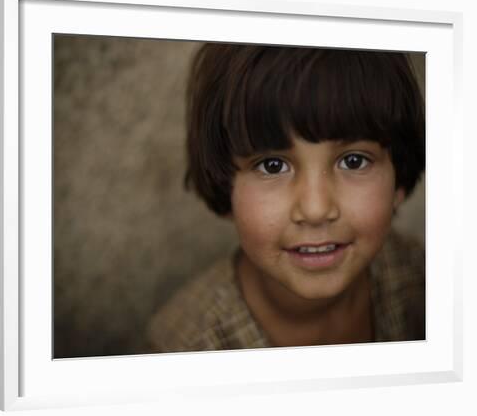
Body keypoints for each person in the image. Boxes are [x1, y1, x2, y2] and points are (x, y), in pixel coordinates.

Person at [147, 44, 425, 352]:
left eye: (354, 161)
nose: (316, 209)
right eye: (272, 165)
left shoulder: (427, 284)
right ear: (226, 187)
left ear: (398, 176)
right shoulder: (186, 346)